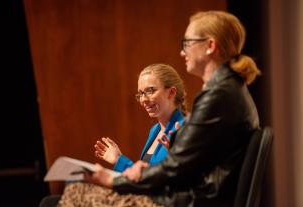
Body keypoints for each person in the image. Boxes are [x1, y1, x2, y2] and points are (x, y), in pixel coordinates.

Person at [58, 10, 261, 207]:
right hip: (193, 197)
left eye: (187, 44)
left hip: (190, 201)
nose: (182, 52)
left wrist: (114, 180)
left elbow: (175, 168)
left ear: (210, 46)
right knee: (72, 190)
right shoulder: (229, 89)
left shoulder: (218, 96)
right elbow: (191, 163)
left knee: (75, 191)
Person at [94, 63, 186, 173]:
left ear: (171, 93)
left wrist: (119, 161)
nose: (143, 100)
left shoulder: (184, 130)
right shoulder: (154, 130)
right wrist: (118, 159)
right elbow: (146, 178)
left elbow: (158, 179)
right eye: (141, 94)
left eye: (150, 91)